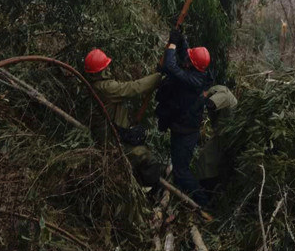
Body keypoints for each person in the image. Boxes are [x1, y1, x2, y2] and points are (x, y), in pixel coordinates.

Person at [84, 48, 162, 191]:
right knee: (148, 160)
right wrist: (158, 77)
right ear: (102, 70)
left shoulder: (91, 85)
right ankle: (147, 192)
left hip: (112, 133)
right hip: (111, 140)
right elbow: (133, 88)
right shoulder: (105, 88)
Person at [161, 28, 212, 207]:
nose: (187, 60)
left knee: (181, 171)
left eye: (190, 59)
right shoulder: (197, 71)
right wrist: (181, 40)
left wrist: (172, 45)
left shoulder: (194, 80)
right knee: (177, 163)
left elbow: (171, 67)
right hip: (181, 127)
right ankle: (181, 191)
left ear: (193, 64)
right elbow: (185, 56)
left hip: (186, 132)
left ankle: (203, 203)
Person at [193, 85, 238, 200]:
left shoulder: (223, 93)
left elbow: (211, 104)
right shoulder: (221, 91)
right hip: (223, 134)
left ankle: (204, 193)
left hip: (225, 136)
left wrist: (198, 100)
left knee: (206, 159)